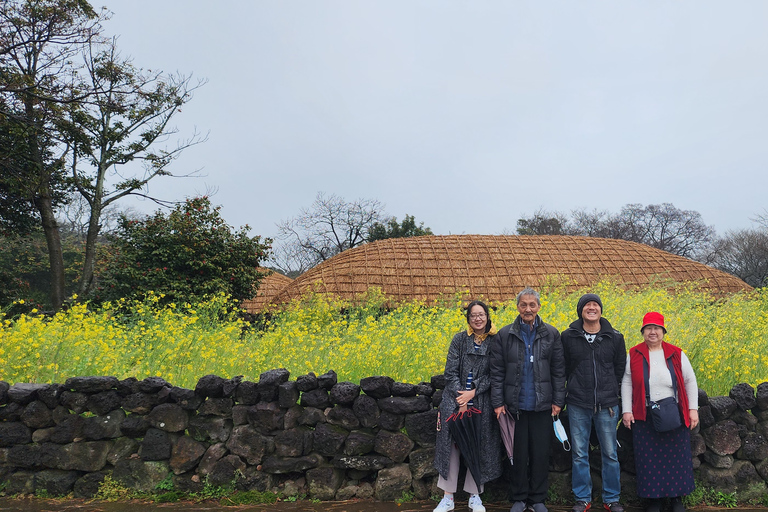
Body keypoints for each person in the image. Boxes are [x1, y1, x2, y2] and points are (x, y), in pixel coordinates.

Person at [490, 288, 566, 512]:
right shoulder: (505, 335)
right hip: (515, 406)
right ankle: (520, 498)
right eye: (523, 305)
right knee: (518, 455)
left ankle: (538, 499)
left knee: (541, 454)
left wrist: (558, 401)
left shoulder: (551, 334)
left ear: (539, 307)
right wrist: (498, 403)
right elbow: (497, 372)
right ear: (517, 307)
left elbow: (558, 371)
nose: (528, 309)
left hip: (543, 405)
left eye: (532, 305)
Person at [621, 312, 699, 512]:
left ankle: (676, 499)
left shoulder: (676, 353)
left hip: (673, 414)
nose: (652, 332)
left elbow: (690, 381)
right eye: (648, 328)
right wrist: (627, 411)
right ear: (643, 332)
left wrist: (693, 409)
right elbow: (627, 382)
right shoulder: (635, 353)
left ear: (663, 331)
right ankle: (653, 500)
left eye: (657, 328)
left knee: (676, 459)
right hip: (645, 415)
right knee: (649, 461)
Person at [434, 300, 504, 512]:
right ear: (468, 319)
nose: (478, 318)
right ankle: (448, 497)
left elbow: (496, 373)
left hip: (481, 401)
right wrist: (461, 397)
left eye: (481, 314)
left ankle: (475, 496)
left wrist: (474, 391)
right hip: (455, 402)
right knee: (451, 447)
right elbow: (450, 372)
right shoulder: (459, 340)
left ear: (487, 316)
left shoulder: (495, 342)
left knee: (478, 445)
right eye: (473, 315)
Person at [561, 293, 626, 512]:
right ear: (580, 310)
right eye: (586, 305)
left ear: (601, 310)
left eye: (595, 304)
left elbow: (619, 370)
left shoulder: (615, 337)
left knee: (610, 453)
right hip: (578, 403)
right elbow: (563, 368)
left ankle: (611, 499)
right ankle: (582, 498)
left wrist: (612, 393)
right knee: (579, 454)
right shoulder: (568, 336)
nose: (591, 308)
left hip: (607, 405)